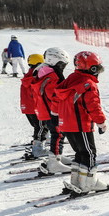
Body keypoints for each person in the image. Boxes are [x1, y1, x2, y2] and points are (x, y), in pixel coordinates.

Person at [56, 51, 109, 194]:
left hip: (67, 124)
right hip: (80, 125)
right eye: (97, 68)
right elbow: (93, 105)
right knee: (89, 153)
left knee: (80, 153)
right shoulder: (88, 84)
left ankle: (77, 181)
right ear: (91, 68)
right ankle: (89, 183)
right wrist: (101, 122)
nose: (98, 72)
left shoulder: (71, 78)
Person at [35, 47, 71, 175]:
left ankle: (58, 156)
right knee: (58, 134)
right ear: (54, 62)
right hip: (52, 112)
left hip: (48, 111)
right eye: (62, 64)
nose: (63, 67)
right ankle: (54, 163)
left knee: (60, 133)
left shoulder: (46, 72)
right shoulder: (52, 77)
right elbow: (55, 96)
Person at [20, 54, 48, 159]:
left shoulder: (28, 75)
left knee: (38, 126)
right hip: (35, 107)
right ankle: (38, 149)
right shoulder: (37, 75)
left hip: (27, 107)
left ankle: (39, 141)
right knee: (42, 127)